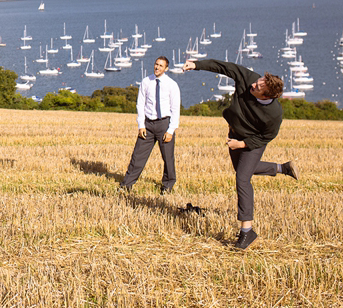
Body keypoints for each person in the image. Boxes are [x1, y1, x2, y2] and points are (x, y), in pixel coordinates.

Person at [183, 58, 298, 250]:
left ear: (266, 95)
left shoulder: (273, 114)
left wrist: (242, 144)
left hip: (252, 143)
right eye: (257, 81)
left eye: (258, 87)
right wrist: (196, 65)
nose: (253, 84)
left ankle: (247, 231)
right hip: (234, 134)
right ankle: (282, 168)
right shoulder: (249, 78)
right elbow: (225, 67)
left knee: (242, 179)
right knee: (241, 169)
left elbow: (265, 137)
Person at [119, 56, 180, 194]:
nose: (157, 67)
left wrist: (170, 130)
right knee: (137, 156)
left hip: (164, 124)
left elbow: (175, 109)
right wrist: (141, 125)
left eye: (161, 65)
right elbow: (140, 104)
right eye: (156, 64)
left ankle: (168, 186)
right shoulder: (146, 82)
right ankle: (126, 185)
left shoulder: (172, 85)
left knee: (168, 158)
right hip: (148, 124)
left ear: (166, 68)